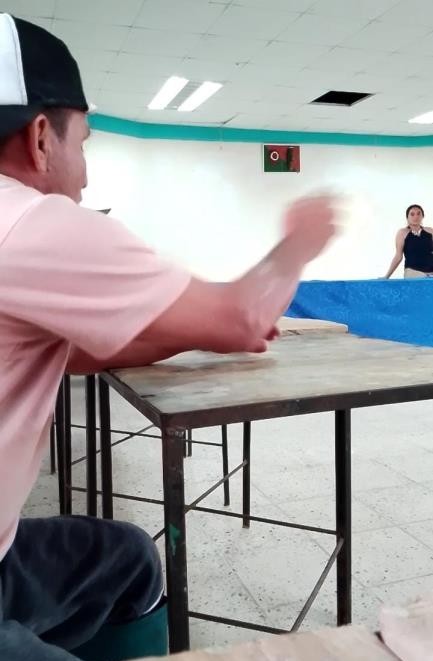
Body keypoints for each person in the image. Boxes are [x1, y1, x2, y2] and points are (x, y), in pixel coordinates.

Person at [0, 13, 338, 661]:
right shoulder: (29, 221)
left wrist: (182, 325)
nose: (85, 176)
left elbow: (72, 351)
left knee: (125, 562)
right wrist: (302, 238)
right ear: (41, 137)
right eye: (84, 144)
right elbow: (243, 316)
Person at [384, 204, 433, 278]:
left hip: (431, 272)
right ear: (407, 218)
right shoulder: (402, 233)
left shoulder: (430, 231)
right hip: (412, 272)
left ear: (422, 216)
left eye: (418, 214)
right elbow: (398, 256)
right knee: (424, 279)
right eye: (412, 214)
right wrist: (386, 276)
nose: (416, 217)